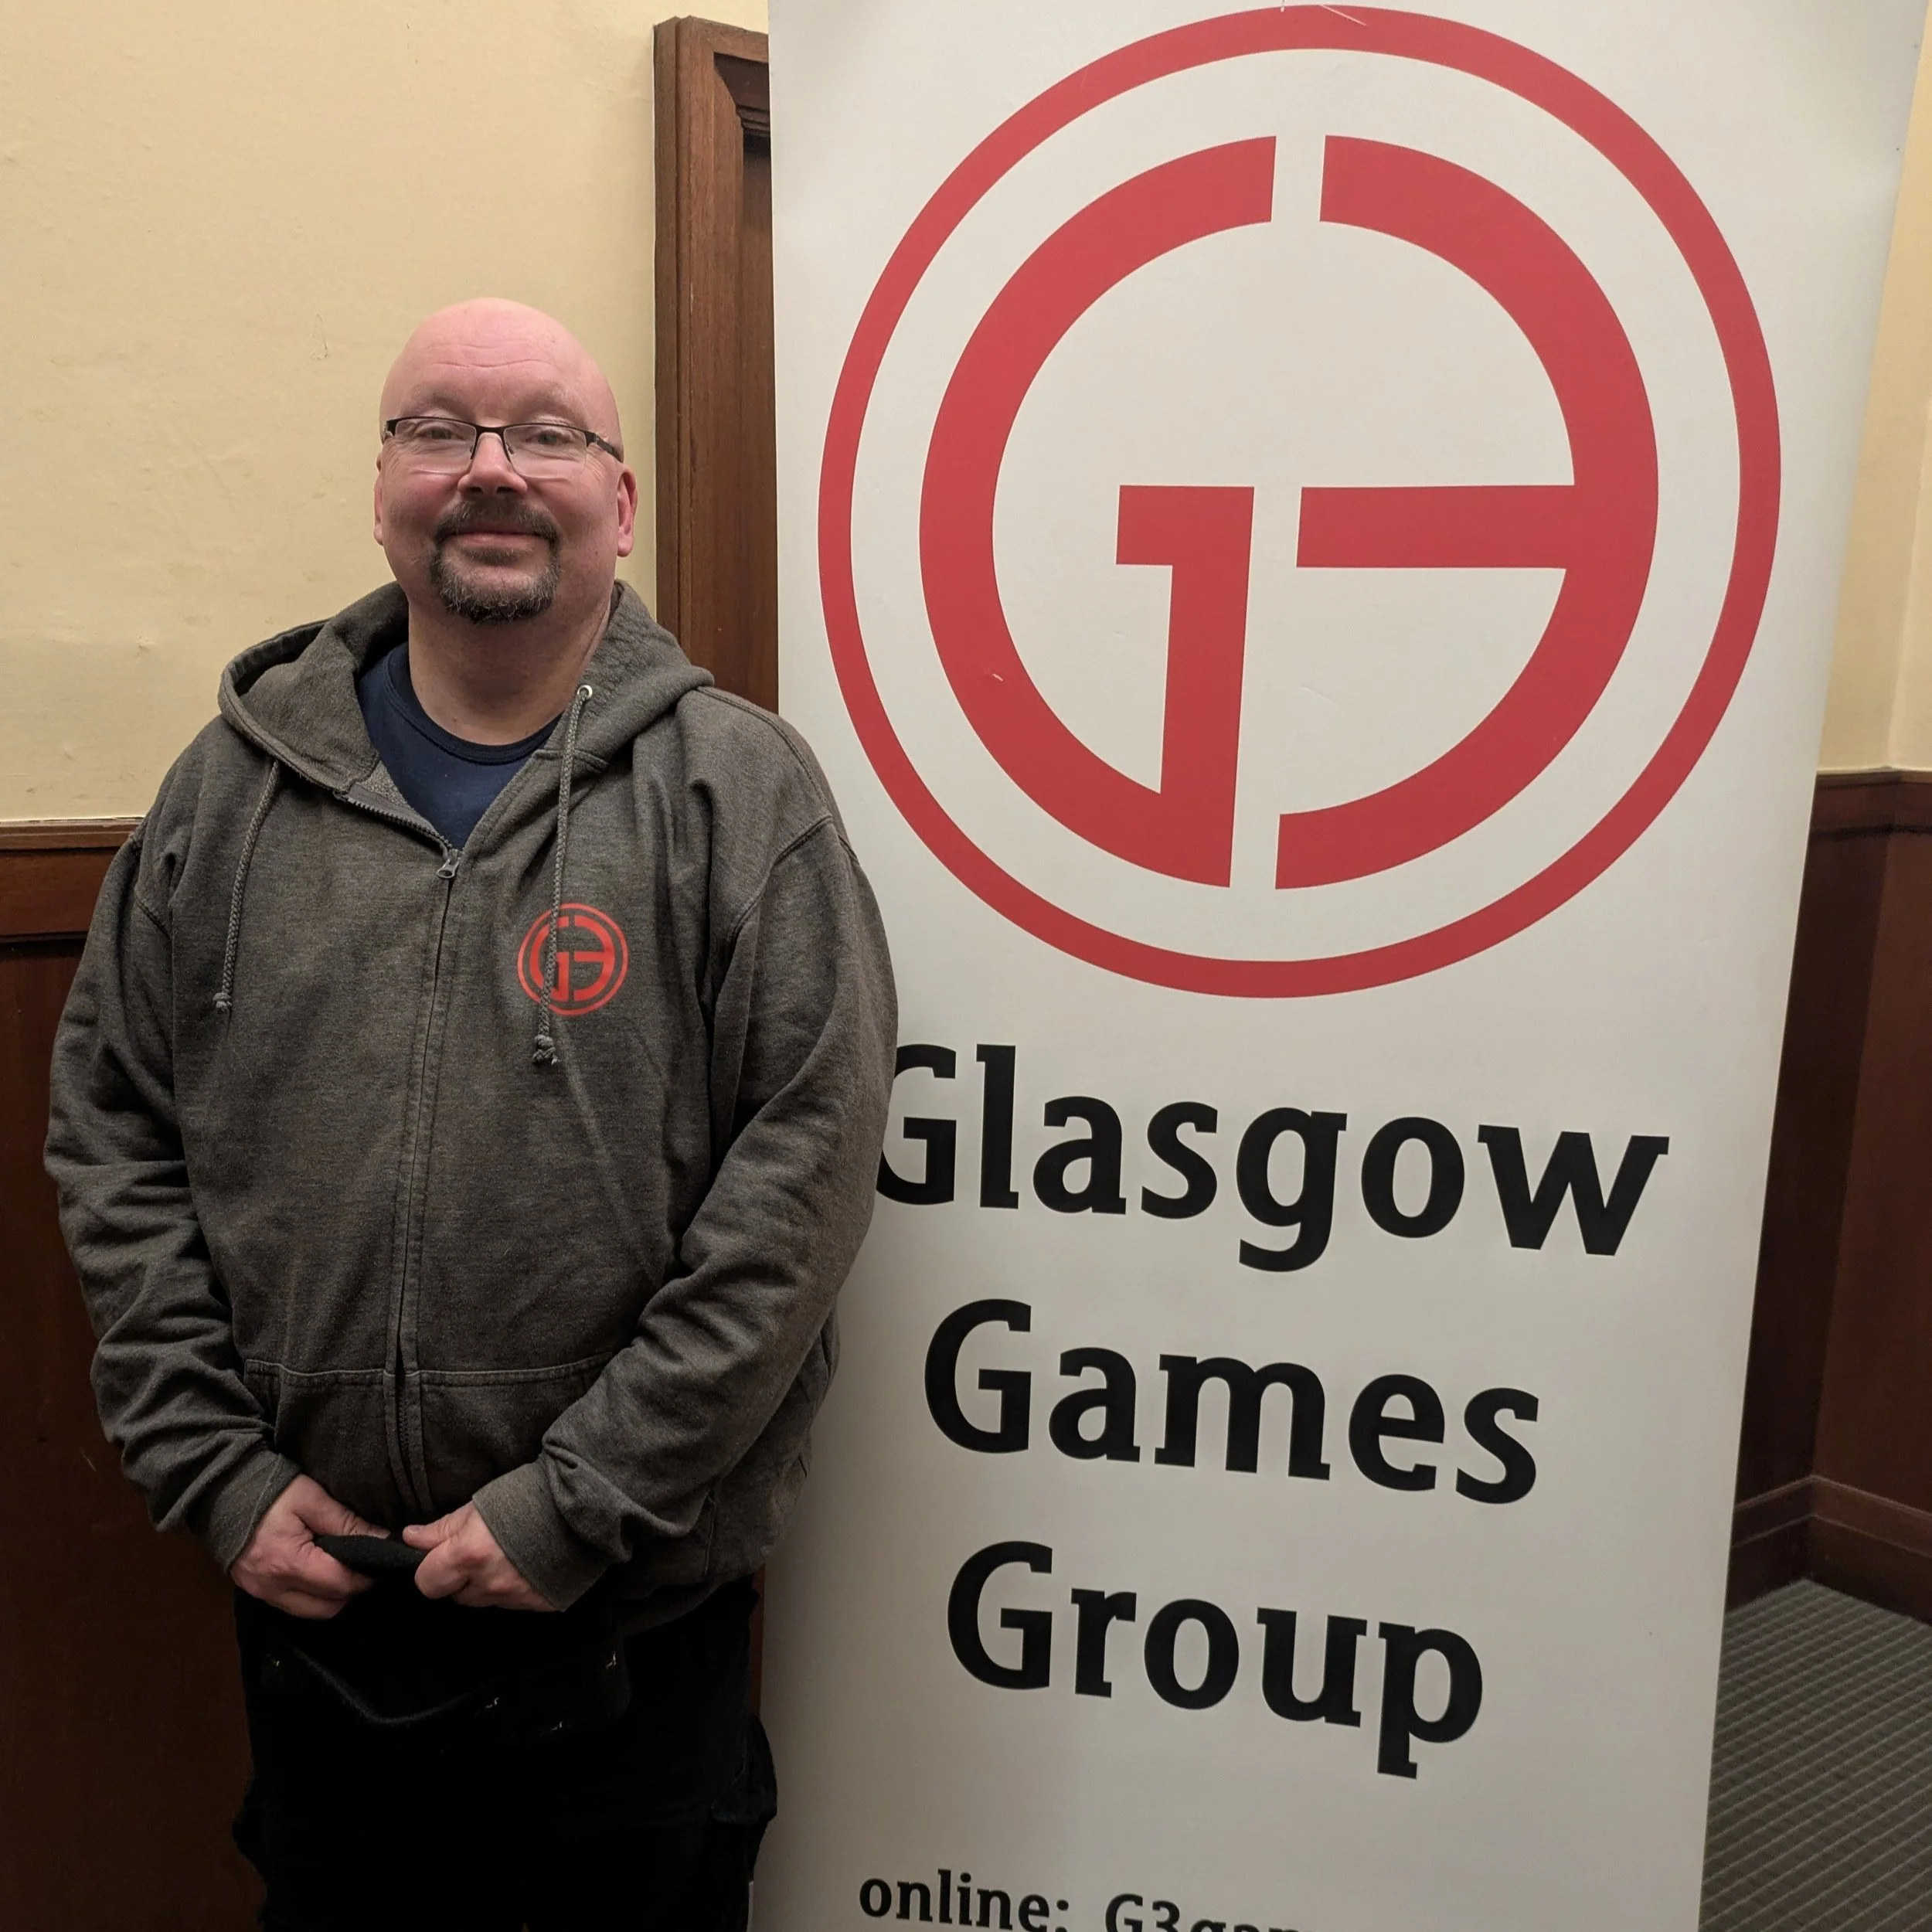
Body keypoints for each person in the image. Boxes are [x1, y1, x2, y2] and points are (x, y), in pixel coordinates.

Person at [44, 298, 898, 1930]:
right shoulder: (223, 797)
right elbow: (111, 1132)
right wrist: (212, 1469)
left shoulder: (740, 794)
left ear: (620, 501)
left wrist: (572, 1503)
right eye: (440, 429)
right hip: (311, 1609)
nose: (492, 469)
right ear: (383, 488)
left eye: (547, 434)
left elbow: (799, 1182)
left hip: (629, 1636)